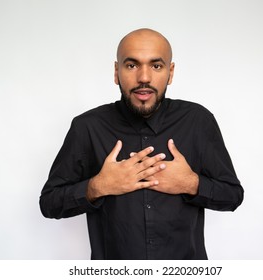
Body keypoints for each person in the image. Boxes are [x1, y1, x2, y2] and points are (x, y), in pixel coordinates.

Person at [39, 28, 244, 260]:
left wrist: (191, 183)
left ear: (171, 72)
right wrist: (98, 187)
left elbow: (233, 196)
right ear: (116, 72)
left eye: (156, 66)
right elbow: (49, 203)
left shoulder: (198, 121)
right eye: (131, 65)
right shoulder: (87, 127)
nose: (144, 78)